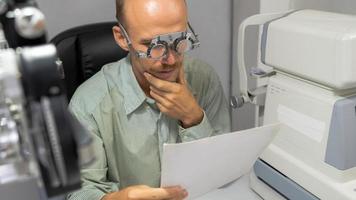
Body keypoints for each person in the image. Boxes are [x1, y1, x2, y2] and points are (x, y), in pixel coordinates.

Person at [67, 0, 231, 199]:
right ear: (121, 38)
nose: (170, 60)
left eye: (178, 40)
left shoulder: (204, 79)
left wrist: (193, 118)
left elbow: (224, 173)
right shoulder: (89, 104)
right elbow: (80, 192)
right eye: (151, 45)